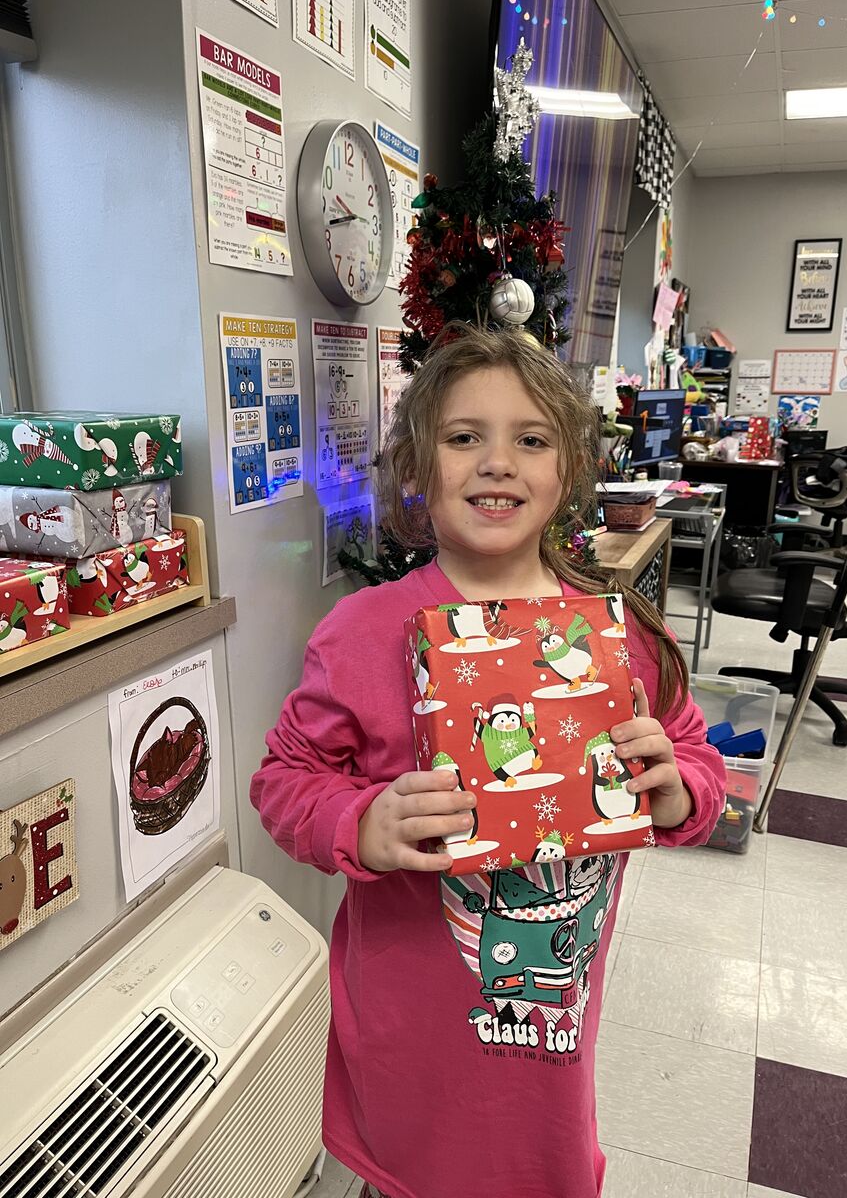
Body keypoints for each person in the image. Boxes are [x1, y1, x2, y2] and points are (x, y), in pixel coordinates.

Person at [251, 324, 727, 1198]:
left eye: (531, 440)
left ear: (568, 470)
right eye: (464, 437)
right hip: (410, 1045)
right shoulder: (361, 633)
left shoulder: (617, 634)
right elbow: (284, 780)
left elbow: (695, 757)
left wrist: (676, 791)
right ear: (416, 467)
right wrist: (360, 820)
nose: (497, 463)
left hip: (550, 1044)